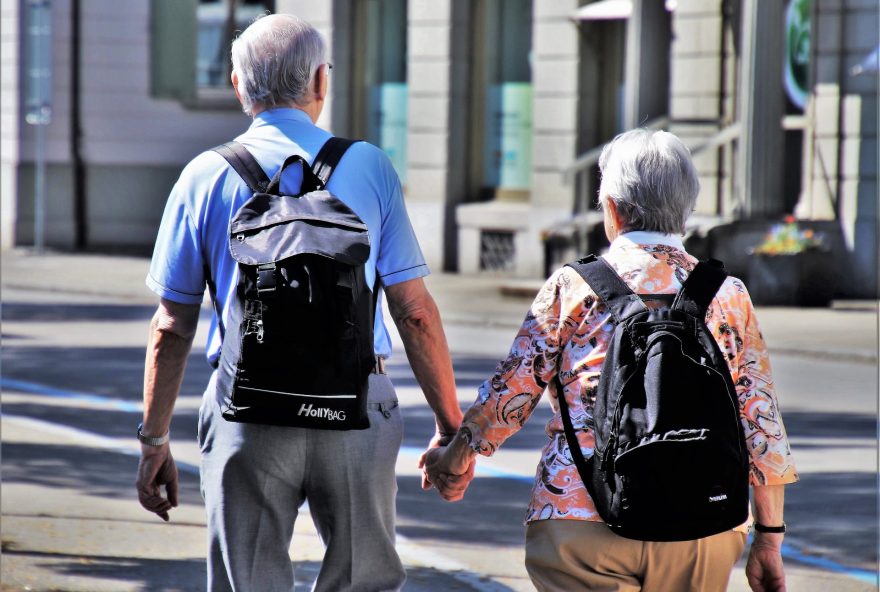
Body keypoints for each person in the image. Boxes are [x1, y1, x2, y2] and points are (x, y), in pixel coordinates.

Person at [135, 14, 468, 591]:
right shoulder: (370, 166)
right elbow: (414, 311)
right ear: (321, 81)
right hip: (358, 406)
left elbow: (172, 327)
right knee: (363, 578)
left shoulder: (202, 176)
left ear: (239, 87)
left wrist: (154, 441)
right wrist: (451, 428)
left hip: (247, 412)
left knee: (250, 579)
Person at [423, 129, 798, 592]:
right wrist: (768, 538)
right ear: (686, 209)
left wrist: (457, 456)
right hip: (703, 522)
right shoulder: (728, 295)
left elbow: (511, 392)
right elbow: (762, 426)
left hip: (580, 516)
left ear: (614, 209)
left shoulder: (573, 286)